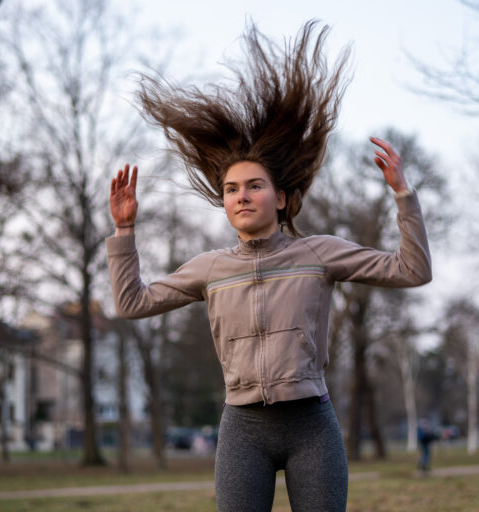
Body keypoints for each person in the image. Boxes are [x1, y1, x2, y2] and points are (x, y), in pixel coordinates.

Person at [107, 20, 431, 512]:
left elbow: (412, 270)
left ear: (280, 198)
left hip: (311, 427)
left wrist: (403, 196)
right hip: (243, 430)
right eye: (232, 189)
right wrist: (125, 232)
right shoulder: (211, 268)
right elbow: (131, 303)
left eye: (254, 185)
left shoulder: (317, 254)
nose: (242, 196)